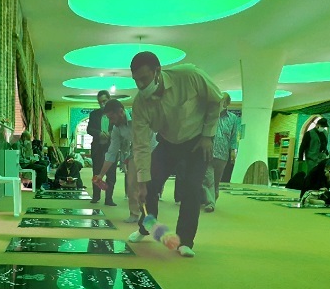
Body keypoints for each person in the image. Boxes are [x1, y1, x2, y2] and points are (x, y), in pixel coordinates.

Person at [127, 51, 223, 258]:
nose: (140, 85)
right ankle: (146, 227)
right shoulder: (140, 103)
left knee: (191, 189)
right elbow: (141, 145)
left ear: (157, 71)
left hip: (197, 142)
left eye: (144, 78)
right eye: (136, 80)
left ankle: (185, 241)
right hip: (168, 143)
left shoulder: (189, 76)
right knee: (150, 185)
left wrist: (208, 135)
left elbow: (216, 100)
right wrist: (141, 182)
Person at [94, 99, 158, 223]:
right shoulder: (116, 129)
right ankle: (134, 214)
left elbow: (146, 140)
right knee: (131, 182)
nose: (111, 122)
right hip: (136, 152)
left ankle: (150, 216)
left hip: (152, 151)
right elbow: (111, 153)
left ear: (121, 112)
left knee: (148, 186)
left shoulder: (138, 117)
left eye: (112, 118)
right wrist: (101, 174)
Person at [201, 92, 239, 212]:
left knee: (216, 181)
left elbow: (233, 137)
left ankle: (212, 198)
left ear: (227, 103)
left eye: (222, 100)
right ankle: (210, 203)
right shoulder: (210, 115)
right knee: (208, 180)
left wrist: (233, 151)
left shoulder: (233, 118)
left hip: (223, 155)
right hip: (208, 152)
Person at [87, 90, 117, 206]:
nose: (102, 104)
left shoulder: (116, 114)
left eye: (104, 101)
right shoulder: (94, 114)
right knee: (97, 172)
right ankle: (96, 196)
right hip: (98, 148)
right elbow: (89, 129)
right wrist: (99, 133)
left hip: (111, 148)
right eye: (100, 102)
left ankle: (108, 199)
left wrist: (111, 133)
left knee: (111, 174)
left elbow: (120, 127)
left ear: (109, 99)